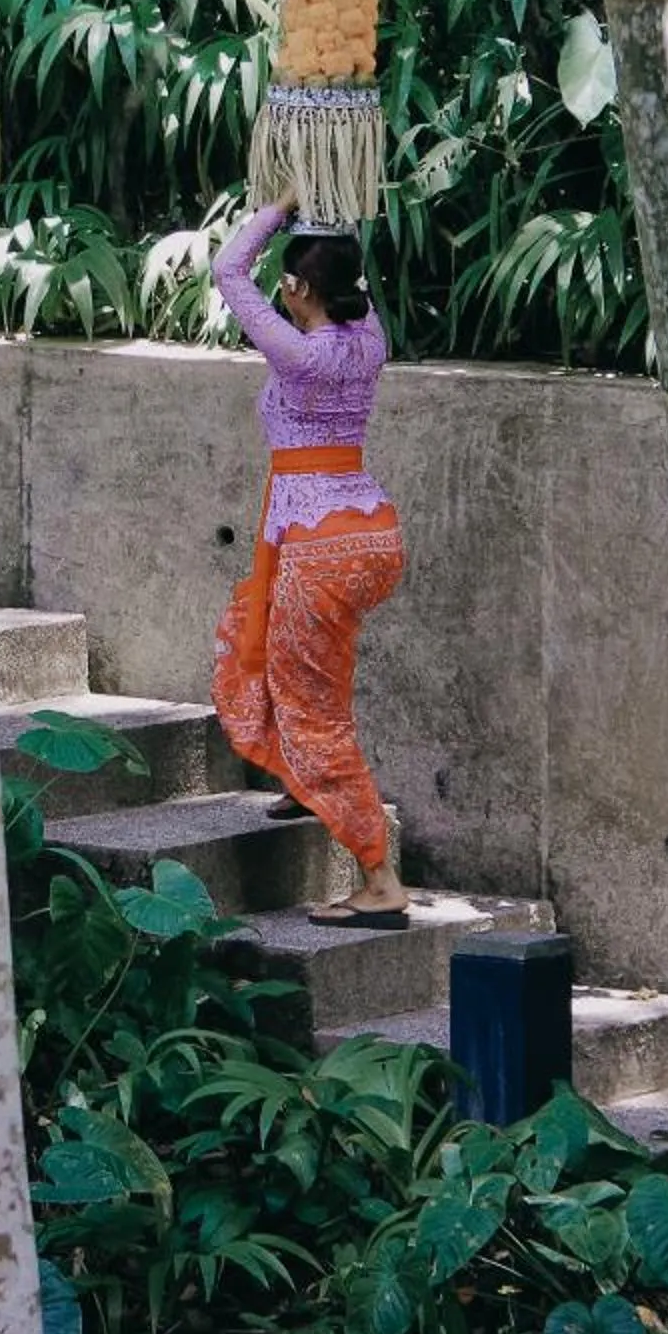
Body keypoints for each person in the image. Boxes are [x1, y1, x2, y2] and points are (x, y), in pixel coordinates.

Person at [209, 199, 411, 928]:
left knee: (314, 708)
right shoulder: (370, 338)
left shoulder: (301, 355)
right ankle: (302, 782)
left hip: (317, 546)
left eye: (288, 286)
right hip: (369, 532)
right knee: (299, 666)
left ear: (297, 289)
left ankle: (380, 881)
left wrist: (280, 207)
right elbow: (348, 273)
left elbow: (227, 270)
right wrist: (327, 211)